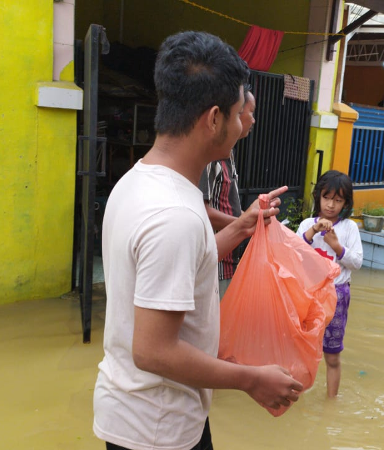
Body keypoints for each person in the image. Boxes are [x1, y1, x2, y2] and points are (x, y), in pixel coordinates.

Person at [93, 31, 303, 450]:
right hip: (157, 429)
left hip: (143, 412)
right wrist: (252, 379)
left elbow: (188, 266)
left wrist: (242, 227)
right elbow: (153, 351)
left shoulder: (138, 181)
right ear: (213, 119)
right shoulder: (176, 215)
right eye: (238, 112)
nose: (244, 123)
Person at [296, 170, 363, 398]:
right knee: (302, 349)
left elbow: (356, 262)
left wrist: (337, 247)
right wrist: (313, 231)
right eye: (327, 197)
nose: (331, 205)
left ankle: (330, 403)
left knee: (332, 356)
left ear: (346, 203)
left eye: (338, 200)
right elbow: (294, 253)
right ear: (318, 196)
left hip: (337, 295)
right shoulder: (307, 224)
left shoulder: (350, 228)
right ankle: (298, 396)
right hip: (308, 295)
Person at [198, 85, 256, 299]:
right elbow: (203, 212)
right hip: (214, 263)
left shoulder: (227, 153)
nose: (253, 120)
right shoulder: (210, 154)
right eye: (251, 112)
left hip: (228, 261)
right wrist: (245, 223)